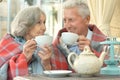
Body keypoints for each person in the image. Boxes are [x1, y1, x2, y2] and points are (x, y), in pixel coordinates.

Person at [0, 6, 52, 80]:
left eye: (44, 22)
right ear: (27, 25)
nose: (44, 28)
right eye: (39, 22)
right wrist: (24, 58)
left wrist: (46, 64)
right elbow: (3, 75)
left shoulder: (43, 48)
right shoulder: (9, 45)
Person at [51, 0, 107, 70]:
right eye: (65, 20)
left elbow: (111, 70)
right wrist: (46, 62)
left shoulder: (104, 43)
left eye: (71, 20)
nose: (67, 26)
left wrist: (91, 52)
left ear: (87, 19)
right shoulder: (57, 45)